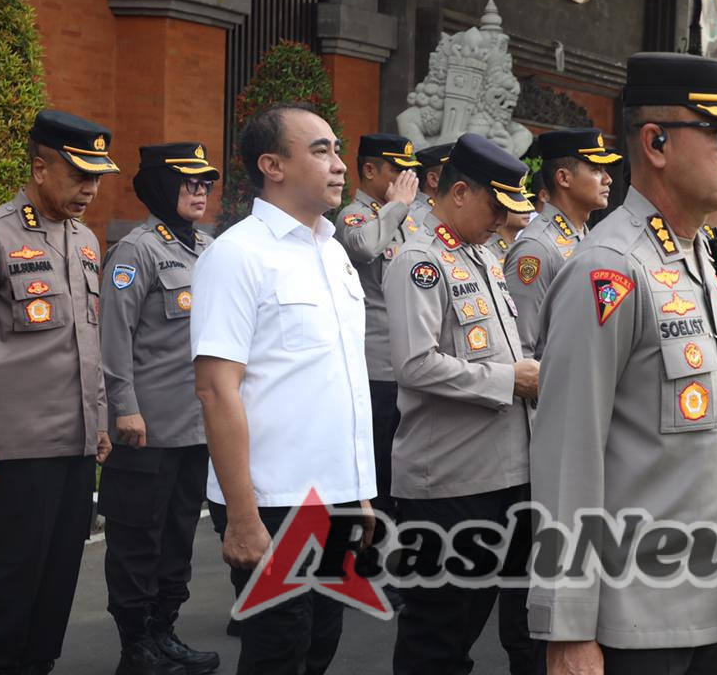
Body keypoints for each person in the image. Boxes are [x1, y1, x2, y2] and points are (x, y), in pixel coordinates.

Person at [527, 52, 717, 674]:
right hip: (634, 621)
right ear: (656, 142)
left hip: (711, 600)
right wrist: (568, 628)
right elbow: (567, 457)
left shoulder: (701, 258)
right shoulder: (609, 269)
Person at [191, 102, 375, 674]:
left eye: (337, 149)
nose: (340, 163)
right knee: (279, 650)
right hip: (272, 500)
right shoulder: (238, 255)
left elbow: (341, 381)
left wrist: (359, 490)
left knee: (321, 642)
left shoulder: (335, 252)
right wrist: (243, 517)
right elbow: (217, 391)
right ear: (271, 164)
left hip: (334, 497)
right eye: (320, 150)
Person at [0, 109, 116, 674]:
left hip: (74, 447)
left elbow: (87, 342)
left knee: (55, 586)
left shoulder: (86, 242)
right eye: (80, 175)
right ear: (40, 167)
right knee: (4, 586)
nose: (91, 189)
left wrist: (98, 421)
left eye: (97, 178)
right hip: (11, 452)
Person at [385, 133, 542, 675]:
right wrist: (509, 381)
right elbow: (415, 364)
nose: (503, 221)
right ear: (457, 192)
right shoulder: (418, 261)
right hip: (449, 482)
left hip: (500, 472)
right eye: (496, 206)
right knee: (438, 634)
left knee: (470, 623)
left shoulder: (480, 255)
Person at [100, 142, 221, 675]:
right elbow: (113, 338)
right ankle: (135, 646)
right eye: (188, 182)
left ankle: (164, 631)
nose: (199, 191)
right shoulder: (138, 250)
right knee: (136, 541)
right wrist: (123, 408)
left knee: (176, 540)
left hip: (197, 428)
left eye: (206, 183)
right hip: (145, 430)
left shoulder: (213, 249)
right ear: (158, 186)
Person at [333, 134, 419, 520]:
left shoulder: (402, 217)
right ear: (369, 170)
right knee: (376, 474)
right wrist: (397, 207)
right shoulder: (355, 215)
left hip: (408, 362)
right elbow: (364, 247)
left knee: (402, 468)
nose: (407, 180)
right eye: (397, 171)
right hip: (376, 369)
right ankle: (365, 561)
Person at [505, 127, 621, 355]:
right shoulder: (536, 249)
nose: (607, 179)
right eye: (596, 169)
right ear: (564, 178)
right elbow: (520, 350)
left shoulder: (587, 237)